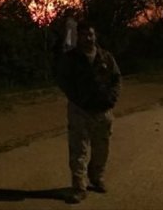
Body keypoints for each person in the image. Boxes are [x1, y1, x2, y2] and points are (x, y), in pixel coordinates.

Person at [55, 21, 121, 204]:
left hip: (103, 111)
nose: (88, 38)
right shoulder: (71, 59)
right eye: (84, 35)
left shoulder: (105, 57)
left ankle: (97, 178)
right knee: (79, 150)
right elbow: (63, 81)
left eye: (90, 34)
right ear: (78, 37)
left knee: (102, 148)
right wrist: (78, 99)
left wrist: (112, 99)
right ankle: (79, 187)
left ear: (95, 36)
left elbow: (116, 78)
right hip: (80, 111)